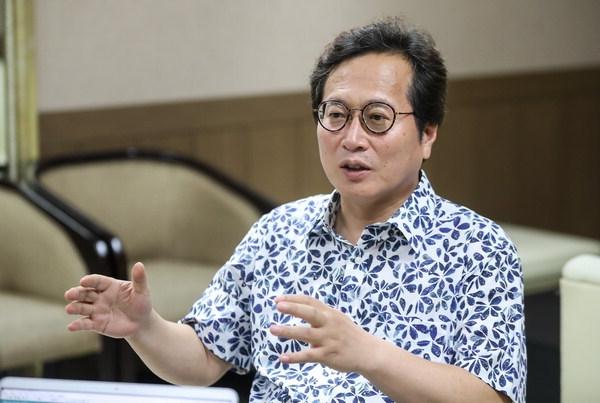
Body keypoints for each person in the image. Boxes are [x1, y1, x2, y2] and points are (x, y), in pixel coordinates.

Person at [65, 18, 526, 403]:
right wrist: (145, 327)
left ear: (427, 134)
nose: (352, 139)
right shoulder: (278, 232)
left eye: (377, 118)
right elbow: (204, 358)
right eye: (336, 115)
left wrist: (368, 355)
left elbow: (493, 398)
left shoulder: (477, 248)